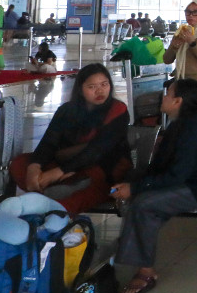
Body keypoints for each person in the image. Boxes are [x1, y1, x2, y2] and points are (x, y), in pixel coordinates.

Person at [111, 78, 197, 293]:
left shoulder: (192, 129)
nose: (163, 97)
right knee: (143, 201)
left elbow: (177, 175)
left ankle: (146, 271)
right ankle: (135, 253)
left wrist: (135, 188)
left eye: (168, 93)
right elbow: (164, 170)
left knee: (144, 204)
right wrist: (134, 184)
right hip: (184, 182)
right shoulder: (182, 123)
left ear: (178, 101)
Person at [10, 63, 131, 216]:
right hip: (67, 163)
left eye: (104, 84)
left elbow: (98, 150)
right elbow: (49, 142)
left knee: (71, 199)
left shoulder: (117, 109)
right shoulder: (67, 110)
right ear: (80, 89)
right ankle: (47, 188)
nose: (100, 91)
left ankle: (51, 195)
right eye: (92, 87)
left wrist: (59, 172)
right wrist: (34, 167)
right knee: (19, 164)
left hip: (103, 167)